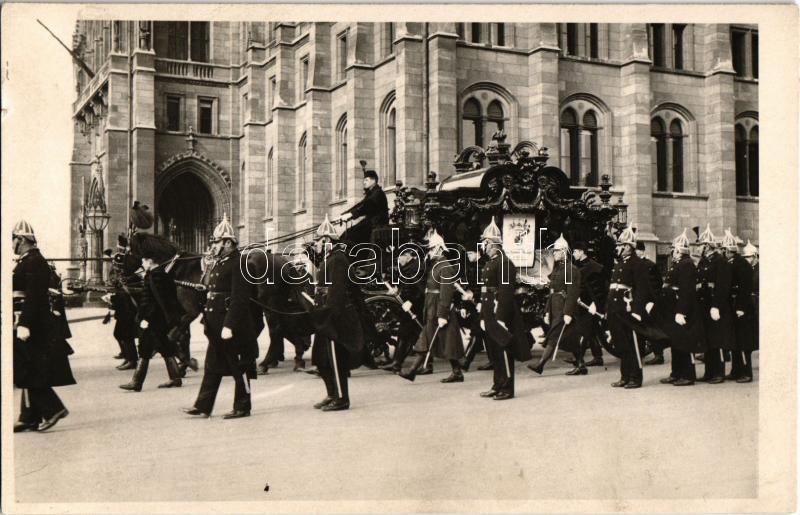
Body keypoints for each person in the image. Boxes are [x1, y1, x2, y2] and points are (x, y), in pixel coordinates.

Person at [183, 215, 259, 419]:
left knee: (239, 366)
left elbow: (240, 298)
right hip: (216, 324)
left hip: (232, 327)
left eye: (216, 242)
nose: (213, 246)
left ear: (227, 243)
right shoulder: (220, 263)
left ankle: (243, 406)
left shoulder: (240, 263)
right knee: (212, 366)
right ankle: (203, 405)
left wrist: (229, 325)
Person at [13, 220, 76, 432]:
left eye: (13, 240)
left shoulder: (34, 261)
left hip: (32, 324)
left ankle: (53, 409)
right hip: (26, 321)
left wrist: (25, 324)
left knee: (26, 370)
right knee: (28, 368)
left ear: (21, 240)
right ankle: (29, 416)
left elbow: (33, 296)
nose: (12, 244)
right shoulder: (29, 260)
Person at [309, 215, 365, 411]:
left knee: (335, 360)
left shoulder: (338, 259)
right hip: (325, 314)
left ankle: (342, 398)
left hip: (334, 318)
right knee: (321, 359)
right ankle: (332, 393)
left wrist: (329, 316)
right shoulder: (330, 258)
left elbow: (337, 292)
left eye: (318, 240)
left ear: (326, 240)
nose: (316, 244)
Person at [119, 238, 185, 392]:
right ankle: (175, 378)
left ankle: (136, 382)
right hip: (159, 321)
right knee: (165, 348)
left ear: (151, 261)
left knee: (145, 349)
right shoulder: (157, 274)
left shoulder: (156, 277)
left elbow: (154, 302)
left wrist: (145, 318)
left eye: (144, 260)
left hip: (153, 321)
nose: (142, 262)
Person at [477, 217, 532, 400]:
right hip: (490, 311)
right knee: (493, 351)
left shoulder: (504, 263)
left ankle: (507, 388)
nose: (483, 246)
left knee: (503, 350)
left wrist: (501, 317)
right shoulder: (491, 262)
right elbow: (485, 290)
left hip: (500, 311)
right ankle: (497, 384)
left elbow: (506, 292)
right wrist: (483, 316)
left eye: (485, 243)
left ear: (493, 244)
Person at [399, 231, 463, 383]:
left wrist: (442, 314)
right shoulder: (435, 265)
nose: (429, 252)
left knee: (447, 341)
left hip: (439, 307)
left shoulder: (445, 267)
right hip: (431, 306)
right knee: (427, 338)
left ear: (439, 248)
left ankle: (455, 372)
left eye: (431, 248)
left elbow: (446, 293)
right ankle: (413, 371)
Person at [605, 227, 661, 389]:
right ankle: (625, 376)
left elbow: (643, 289)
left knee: (633, 345)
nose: (618, 248)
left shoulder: (638, 264)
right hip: (617, 310)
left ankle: (635, 377)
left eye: (621, 245)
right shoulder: (619, 263)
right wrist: (608, 309)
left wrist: (637, 311)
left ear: (629, 246)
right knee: (621, 344)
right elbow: (613, 288)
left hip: (629, 310)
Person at [528, 235, 584, 375]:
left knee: (553, 336)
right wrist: (548, 311)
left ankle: (540, 365)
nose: (554, 253)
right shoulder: (557, 269)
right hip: (555, 307)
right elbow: (552, 291)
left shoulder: (571, 269)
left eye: (556, 251)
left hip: (564, 308)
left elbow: (572, 292)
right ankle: (581, 365)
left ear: (564, 252)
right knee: (571, 339)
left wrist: (568, 312)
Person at [654, 229, 705, 386]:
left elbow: (686, 291)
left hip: (683, 309)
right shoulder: (679, 264)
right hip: (674, 307)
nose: (672, 252)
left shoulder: (687, 265)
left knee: (685, 343)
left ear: (679, 250)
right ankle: (676, 373)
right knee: (676, 343)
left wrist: (681, 312)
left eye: (674, 250)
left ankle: (688, 375)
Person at [695, 225, 735, 384]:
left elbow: (723, 286)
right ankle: (709, 371)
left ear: (707, 246)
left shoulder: (720, 261)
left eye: (700, 245)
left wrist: (716, 306)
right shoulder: (704, 261)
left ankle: (718, 372)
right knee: (708, 340)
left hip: (715, 305)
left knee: (717, 340)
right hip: (704, 304)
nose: (698, 248)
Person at [381, 246, 426, 373]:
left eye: (400, 257)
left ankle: (426, 364)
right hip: (409, 306)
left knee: (418, 334)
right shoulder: (408, 267)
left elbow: (420, 288)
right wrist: (398, 290)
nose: (398, 260)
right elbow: (407, 286)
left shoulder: (417, 268)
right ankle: (397, 363)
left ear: (407, 256)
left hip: (416, 307)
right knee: (405, 333)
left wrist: (411, 301)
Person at [725, 231, 757, 383]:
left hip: (741, 307)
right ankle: (736, 370)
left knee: (744, 341)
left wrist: (741, 307)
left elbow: (745, 288)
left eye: (725, 250)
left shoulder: (741, 265)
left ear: (729, 251)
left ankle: (746, 372)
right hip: (734, 304)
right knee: (735, 340)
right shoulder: (733, 263)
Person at [571, 240, 607, 367]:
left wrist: (595, 304)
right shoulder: (577, 266)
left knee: (584, 331)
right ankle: (597, 357)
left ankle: (579, 359)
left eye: (575, 251)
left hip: (591, 306)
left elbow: (600, 289)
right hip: (582, 305)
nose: (573, 254)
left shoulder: (594, 267)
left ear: (581, 252)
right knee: (591, 331)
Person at [340, 168, 389, 246]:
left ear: (373, 181)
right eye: (364, 180)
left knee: (349, 235)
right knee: (348, 233)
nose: (364, 182)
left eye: (366, 180)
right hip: (371, 223)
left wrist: (351, 214)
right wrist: (345, 213)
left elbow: (366, 207)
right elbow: (360, 205)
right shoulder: (372, 193)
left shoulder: (378, 193)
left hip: (377, 225)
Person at [637, 241, 665, 365]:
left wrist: (653, 301)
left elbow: (657, 285)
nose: (636, 252)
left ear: (642, 251)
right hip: (639, 301)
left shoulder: (650, 265)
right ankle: (640, 352)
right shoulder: (635, 265)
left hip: (649, 303)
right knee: (640, 328)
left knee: (652, 328)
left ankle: (659, 354)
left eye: (638, 250)